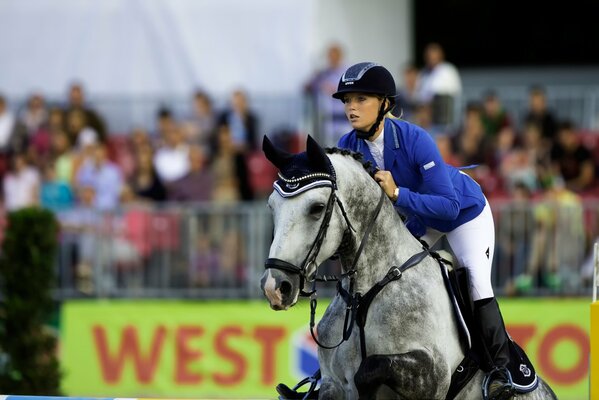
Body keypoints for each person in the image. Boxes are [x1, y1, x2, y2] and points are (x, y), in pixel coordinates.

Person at [333, 62, 538, 397]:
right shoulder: (347, 144)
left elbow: (448, 207)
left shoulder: (415, 138)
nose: (351, 107)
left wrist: (398, 194)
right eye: (346, 100)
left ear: (384, 103)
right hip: (420, 219)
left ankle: (501, 370)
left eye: (360, 99)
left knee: (475, 282)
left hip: (465, 214)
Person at [415, 42, 462, 127]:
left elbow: (449, 95)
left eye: (434, 56)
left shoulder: (448, 70)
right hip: (425, 116)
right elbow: (419, 95)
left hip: (444, 115)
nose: (431, 59)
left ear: (440, 56)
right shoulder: (423, 73)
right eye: (429, 56)